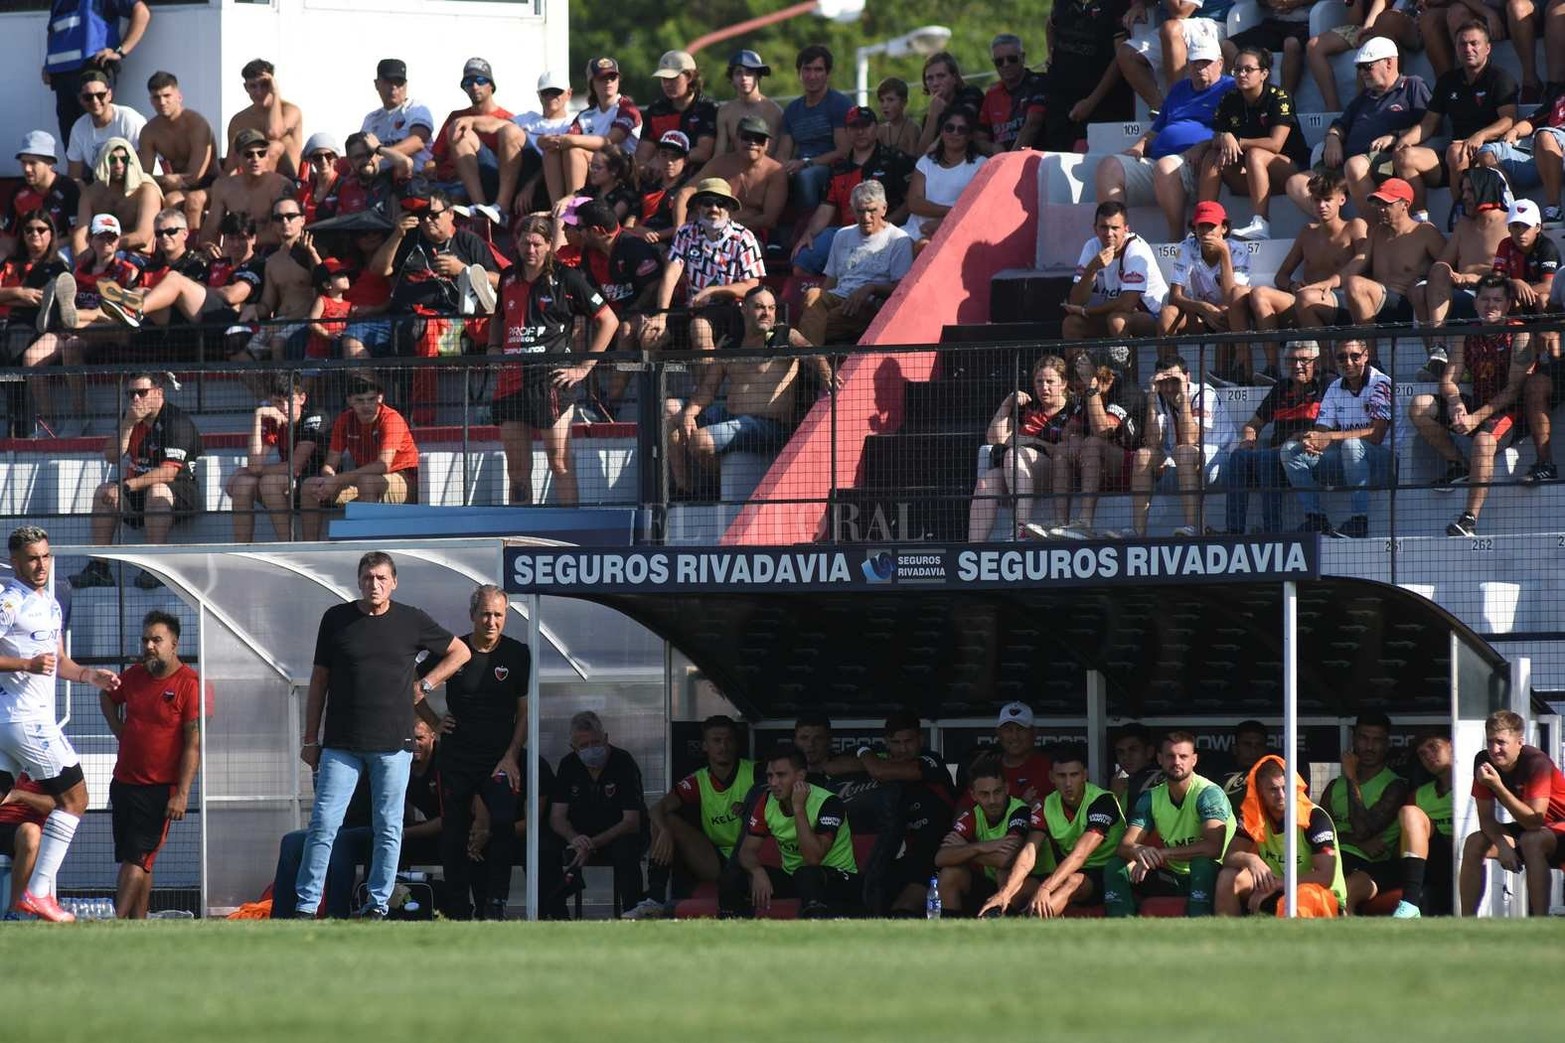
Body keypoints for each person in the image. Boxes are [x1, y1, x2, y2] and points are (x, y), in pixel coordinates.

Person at [295, 551, 469, 920]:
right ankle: (306, 906)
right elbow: (319, 681)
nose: (374, 584)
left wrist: (427, 683)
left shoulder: (412, 619)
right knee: (324, 823)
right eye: (368, 578)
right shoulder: (336, 619)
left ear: (394, 582)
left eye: (381, 578)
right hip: (341, 745)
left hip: (393, 745)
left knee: (389, 827)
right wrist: (311, 739)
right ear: (358, 581)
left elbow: (460, 652)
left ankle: (377, 906)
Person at [0, 527, 121, 922]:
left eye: (46, 556)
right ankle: (38, 892)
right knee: (76, 799)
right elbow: (35, 663)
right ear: (15, 561)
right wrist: (25, 665)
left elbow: (59, 661)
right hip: (25, 721)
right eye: (33, 558)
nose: (41, 565)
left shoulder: (51, 603)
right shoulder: (8, 602)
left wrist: (90, 676)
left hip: (13, 724)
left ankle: (35, 895)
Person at [488, 214, 616, 506]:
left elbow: (609, 320)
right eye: (524, 243)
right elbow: (498, 317)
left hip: (551, 381)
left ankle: (569, 530)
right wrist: (494, 346)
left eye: (536, 244)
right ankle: (519, 531)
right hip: (510, 380)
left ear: (549, 245)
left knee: (559, 462)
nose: (529, 250)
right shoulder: (508, 277)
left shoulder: (567, 277)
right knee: (517, 471)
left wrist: (584, 367)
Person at [664, 285, 828, 496]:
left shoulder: (783, 336)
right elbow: (707, 389)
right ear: (744, 309)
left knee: (700, 440)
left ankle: (714, 487)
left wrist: (826, 373)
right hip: (732, 417)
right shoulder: (732, 343)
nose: (767, 313)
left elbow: (814, 354)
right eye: (760, 307)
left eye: (771, 308)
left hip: (769, 426)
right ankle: (684, 487)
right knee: (670, 409)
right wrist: (688, 414)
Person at [430, 585, 530, 921]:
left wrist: (512, 754)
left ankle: (496, 903)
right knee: (454, 834)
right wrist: (432, 723)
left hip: (498, 760)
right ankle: (459, 909)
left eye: (498, 615)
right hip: (456, 761)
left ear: (506, 617)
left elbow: (524, 711)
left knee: (503, 825)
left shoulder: (518, 654)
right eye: (485, 613)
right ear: (472, 615)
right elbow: (413, 686)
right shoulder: (454, 650)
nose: (491, 621)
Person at [1411, 275, 1533, 538]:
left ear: (1508, 304)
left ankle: (1469, 519)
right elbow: (1449, 380)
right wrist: (1455, 402)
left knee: (1483, 442)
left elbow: (1513, 391)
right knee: (1419, 405)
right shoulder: (1467, 332)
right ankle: (1458, 465)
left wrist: (1475, 418)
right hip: (1477, 404)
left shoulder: (1519, 332)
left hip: (1511, 413)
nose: (1491, 305)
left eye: (1497, 300)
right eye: (1485, 299)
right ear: (1475, 302)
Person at [99, 610, 201, 919]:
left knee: (136, 857)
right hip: (124, 783)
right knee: (141, 860)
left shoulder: (188, 683)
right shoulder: (133, 676)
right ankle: (138, 926)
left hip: (159, 789)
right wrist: (120, 730)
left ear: (174, 644)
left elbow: (192, 744)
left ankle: (115, 923)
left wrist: (181, 794)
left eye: (157, 640)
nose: (149, 646)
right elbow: (108, 697)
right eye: (145, 640)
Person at [1094, 39, 1235, 241]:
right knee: (1108, 166)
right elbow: (1157, 129)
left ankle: (1176, 239)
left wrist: (1203, 145)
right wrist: (1139, 146)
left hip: (1194, 164)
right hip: (1160, 160)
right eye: (1195, 62)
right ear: (1188, 64)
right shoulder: (1179, 89)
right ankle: (1116, 240)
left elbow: (1232, 132)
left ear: (1220, 63)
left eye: (1206, 62)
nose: (1200, 67)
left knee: (1165, 165)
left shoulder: (1231, 89)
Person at [73, 373, 203, 587]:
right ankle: (99, 569)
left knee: (157, 490)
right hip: (139, 491)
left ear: (159, 392)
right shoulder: (131, 418)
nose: (135, 399)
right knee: (103, 492)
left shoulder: (176, 421)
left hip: (180, 491)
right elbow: (112, 456)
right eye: (131, 394)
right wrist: (127, 425)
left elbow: (168, 472)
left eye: (141, 393)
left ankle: (156, 568)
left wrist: (126, 486)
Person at [1233, 173, 1366, 381]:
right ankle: (1272, 369)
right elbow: (1281, 277)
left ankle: (1326, 368)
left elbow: (1363, 266)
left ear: (1342, 199)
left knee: (1307, 298)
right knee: (1259, 293)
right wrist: (1293, 285)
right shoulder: (1308, 232)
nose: (1322, 205)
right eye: (1316, 200)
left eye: (1327, 199)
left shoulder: (1355, 226)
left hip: (1339, 302)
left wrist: (1328, 284)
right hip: (1304, 300)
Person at [821, 710, 954, 915]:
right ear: (887, 743)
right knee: (867, 897)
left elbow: (879, 772)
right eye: (895, 743)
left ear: (920, 739)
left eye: (908, 741)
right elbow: (830, 767)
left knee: (903, 910)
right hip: (905, 858)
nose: (903, 749)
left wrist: (864, 751)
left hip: (938, 857)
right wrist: (873, 759)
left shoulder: (931, 761)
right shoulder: (883, 760)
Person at [979, 744, 1127, 917]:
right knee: (1019, 889)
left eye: (1074, 775)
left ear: (1085, 775)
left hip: (1107, 873)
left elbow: (1080, 854)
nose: (1068, 783)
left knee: (1072, 881)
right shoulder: (1045, 805)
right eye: (1061, 776)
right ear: (1051, 777)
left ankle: (1031, 926)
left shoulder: (1102, 801)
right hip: (1066, 870)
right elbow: (1029, 852)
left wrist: (1046, 888)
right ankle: (996, 923)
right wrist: (1006, 892)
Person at [1389, 20, 1517, 218]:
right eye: (1462, 44)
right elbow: (1429, 123)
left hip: (1486, 154)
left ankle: (1463, 215)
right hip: (1454, 156)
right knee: (1403, 157)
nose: (1468, 49)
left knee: (1456, 152)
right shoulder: (1448, 81)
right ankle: (1421, 220)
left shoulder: (1500, 78)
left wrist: (1480, 136)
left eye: (1474, 43)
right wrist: (1405, 140)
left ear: (1488, 48)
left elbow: (1509, 120)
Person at [719, 743, 859, 918]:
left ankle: (817, 928)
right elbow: (746, 851)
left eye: (781, 775)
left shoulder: (828, 802)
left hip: (836, 879)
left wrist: (799, 808)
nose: (773, 783)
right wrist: (757, 871)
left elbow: (813, 858)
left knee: (807, 874)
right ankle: (729, 931)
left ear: (800, 776)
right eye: (770, 776)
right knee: (733, 875)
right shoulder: (766, 800)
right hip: (794, 877)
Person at [1298, 179, 1445, 343]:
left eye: (1387, 204)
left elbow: (1447, 268)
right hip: (1372, 305)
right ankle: (1325, 367)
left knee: (1355, 283)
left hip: (1406, 307)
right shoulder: (1377, 233)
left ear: (1405, 204)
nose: (1381, 209)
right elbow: (1356, 263)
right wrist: (1329, 283)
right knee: (1307, 298)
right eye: (1378, 204)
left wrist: (1424, 281)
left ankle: (1371, 360)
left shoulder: (1425, 231)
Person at [1106, 731, 1236, 917]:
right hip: (1175, 877)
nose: (1176, 762)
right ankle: (1120, 930)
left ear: (1194, 760)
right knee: (1116, 866)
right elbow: (1124, 846)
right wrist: (1139, 851)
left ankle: (1201, 926)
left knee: (1202, 863)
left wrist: (1161, 853)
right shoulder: (1151, 797)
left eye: (1183, 756)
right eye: (1170, 756)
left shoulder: (1208, 794)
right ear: (1159, 759)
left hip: (1213, 875)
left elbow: (1212, 847)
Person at [1296, 38, 1429, 217]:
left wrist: (1395, 136)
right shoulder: (1365, 96)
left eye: (1367, 67)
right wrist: (1333, 138)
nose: (1362, 73)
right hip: (1346, 164)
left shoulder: (1412, 86)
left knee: (1354, 165)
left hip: (1385, 162)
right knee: (1296, 182)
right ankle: (1338, 227)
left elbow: (1427, 126)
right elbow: (1340, 124)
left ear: (1389, 63)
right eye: (1359, 68)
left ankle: (1376, 232)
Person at [640, 714, 756, 919]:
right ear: (704, 746)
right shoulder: (699, 780)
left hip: (754, 855)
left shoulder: (756, 772)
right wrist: (665, 830)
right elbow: (656, 808)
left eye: (728, 740)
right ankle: (655, 899)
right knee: (665, 820)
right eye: (716, 741)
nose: (723, 746)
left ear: (736, 743)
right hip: (718, 860)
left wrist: (751, 804)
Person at [1280, 338, 1394, 538]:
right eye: (1342, 357)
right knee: (1290, 451)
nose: (1348, 362)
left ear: (1366, 356)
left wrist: (1329, 436)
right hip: (1347, 461)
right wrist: (1313, 439)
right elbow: (1322, 429)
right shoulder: (1334, 387)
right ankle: (1317, 519)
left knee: (1351, 446)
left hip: (1384, 464)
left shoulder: (1380, 383)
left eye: (1354, 356)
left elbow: (1377, 435)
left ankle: (1359, 521)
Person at [1198, 45, 1310, 242]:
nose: (1241, 74)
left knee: (1255, 153)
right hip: (1250, 178)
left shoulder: (1279, 97)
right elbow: (1217, 134)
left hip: (1290, 171)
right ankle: (1204, 222)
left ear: (1264, 73)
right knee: (1212, 156)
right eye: (1237, 69)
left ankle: (1261, 224)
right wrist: (1223, 137)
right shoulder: (1229, 98)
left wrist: (1238, 141)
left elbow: (1275, 144)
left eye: (1248, 69)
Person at [1459, 710, 1565, 916]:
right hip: (1536, 830)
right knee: (1474, 842)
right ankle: (1467, 922)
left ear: (1519, 742)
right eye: (1489, 742)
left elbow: (1535, 821)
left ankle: (1539, 921)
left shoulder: (1536, 762)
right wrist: (1502, 845)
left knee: (1531, 839)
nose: (1494, 749)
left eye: (1501, 742)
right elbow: (1486, 819)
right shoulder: (1483, 762)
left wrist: (1497, 786)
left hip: (1557, 826)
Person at [642, 177, 765, 353]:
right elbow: (671, 275)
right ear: (699, 207)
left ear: (729, 208)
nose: (714, 209)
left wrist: (712, 291)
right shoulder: (686, 233)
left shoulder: (744, 238)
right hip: (693, 309)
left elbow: (751, 287)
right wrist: (662, 314)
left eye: (720, 203)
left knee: (699, 327)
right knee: (650, 335)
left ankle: (705, 381)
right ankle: (658, 381)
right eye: (708, 203)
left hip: (733, 312)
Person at [1216, 755, 1346, 917]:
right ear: (1260, 791)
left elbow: (1325, 876)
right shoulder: (1253, 816)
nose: (1281, 795)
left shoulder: (1315, 817)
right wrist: (1251, 860)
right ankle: (1228, 937)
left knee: (1302, 897)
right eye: (1273, 789)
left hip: (1320, 895)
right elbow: (1229, 856)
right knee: (1228, 877)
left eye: (1286, 788)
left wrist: (1277, 884)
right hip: (1276, 888)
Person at [550, 710, 650, 917]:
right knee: (545, 850)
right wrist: (576, 839)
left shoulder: (623, 762)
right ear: (573, 748)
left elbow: (631, 821)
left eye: (595, 743)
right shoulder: (568, 765)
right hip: (581, 838)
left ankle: (633, 913)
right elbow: (557, 817)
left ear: (606, 738)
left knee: (626, 851)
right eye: (583, 746)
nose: (591, 750)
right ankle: (554, 915)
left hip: (618, 837)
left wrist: (593, 843)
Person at [791, 106, 913, 275]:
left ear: (876, 128)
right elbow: (827, 207)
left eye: (865, 125)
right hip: (845, 233)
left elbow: (910, 203)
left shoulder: (896, 160)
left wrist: (883, 225)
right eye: (854, 127)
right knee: (802, 263)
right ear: (847, 132)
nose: (860, 131)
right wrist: (808, 234)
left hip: (884, 231)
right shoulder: (838, 167)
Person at [1221, 341, 1325, 535]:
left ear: (1316, 363)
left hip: (1305, 454)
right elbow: (1253, 424)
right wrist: (1248, 441)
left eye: (1303, 360)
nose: (1297, 365)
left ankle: (1272, 531)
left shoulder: (1324, 386)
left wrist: (1292, 441)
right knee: (1238, 456)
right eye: (1292, 360)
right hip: (1274, 454)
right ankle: (1233, 531)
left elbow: (1323, 431)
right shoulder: (1282, 388)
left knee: (1267, 458)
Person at [299, 378, 421, 541]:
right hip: (366, 480)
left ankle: (368, 544)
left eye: (371, 399)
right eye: (359, 401)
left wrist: (337, 480)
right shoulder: (344, 420)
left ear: (380, 398)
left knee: (367, 482)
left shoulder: (391, 418)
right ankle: (310, 547)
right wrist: (328, 481)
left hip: (405, 480)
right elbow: (329, 464)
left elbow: (382, 466)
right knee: (310, 486)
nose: (366, 406)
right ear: (349, 401)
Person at [1129, 353, 1233, 538]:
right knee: (1143, 455)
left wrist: (1184, 396)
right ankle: (1137, 532)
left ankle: (1192, 527)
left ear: (1187, 377)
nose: (1169, 388)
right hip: (1181, 459)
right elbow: (1153, 442)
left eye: (1175, 381)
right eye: (1163, 382)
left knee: (1183, 451)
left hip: (1220, 460)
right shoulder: (1160, 396)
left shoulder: (1203, 393)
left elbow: (1190, 438)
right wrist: (1152, 396)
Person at [798, 180, 912, 346]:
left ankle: (803, 358)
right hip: (839, 297)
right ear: (852, 210)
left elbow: (901, 289)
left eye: (871, 210)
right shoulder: (842, 235)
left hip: (869, 305)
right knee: (813, 295)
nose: (866, 217)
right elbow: (831, 280)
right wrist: (815, 308)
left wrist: (870, 288)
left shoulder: (898, 239)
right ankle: (814, 363)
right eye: (860, 211)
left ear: (884, 208)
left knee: (812, 324)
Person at [971, 356, 1073, 541]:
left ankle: (1021, 528)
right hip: (1017, 470)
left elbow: (1065, 450)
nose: (1044, 387)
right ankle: (974, 548)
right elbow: (995, 438)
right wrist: (1008, 403)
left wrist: (1025, 441)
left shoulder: (1072, 408)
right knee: (986, 482)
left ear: (1064, 383)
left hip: (1055, 472)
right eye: (1039, 381)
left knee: (1013, 455)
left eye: (1050, 382)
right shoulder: (1028, 408)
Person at [1047, 352, 1147, 538]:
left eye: (1081, 382)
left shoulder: (1126, 390)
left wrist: (1091, 389)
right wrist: (1075, 437)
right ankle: (1061, 522)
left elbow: (1103, 430)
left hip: (1130, 467)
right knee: (1062, 448)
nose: (1078, 389)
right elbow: (1068, 431)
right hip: (1096, 467)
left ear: (1101, 375)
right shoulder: (1086, 393)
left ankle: (1085, 523)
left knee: (1093, 443)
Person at [1318, 710, 1410, 912]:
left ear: (1387, 744)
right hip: (1334, 857)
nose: (1369, 746)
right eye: (1363, 738)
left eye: (1377, 740)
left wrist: (1352, 777)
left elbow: (1363, 829)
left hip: (1374, 865)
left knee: (1343, 893)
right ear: (1354, 739)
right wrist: (1356, 842)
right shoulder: (1334, 786)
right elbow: (1318, 835)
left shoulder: (1395, 786)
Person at [226, 373, 325, 543]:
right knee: (243, 484)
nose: (285, 408)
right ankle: (242, 547)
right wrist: (258, 418)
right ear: (271, 401)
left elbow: (295, 466)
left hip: (318, 482)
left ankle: (288, 543)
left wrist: (251, 471)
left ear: (302, 398)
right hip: (289, 482)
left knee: (268, 482)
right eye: (279, 402)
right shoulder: (273, 419)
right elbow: (255, 462)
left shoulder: (314, 416)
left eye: (290, 401)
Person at [1417, 166, 1511, 345]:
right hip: (1460, 288)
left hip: (1493, 289)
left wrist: (1476, 279)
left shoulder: (1510, 223)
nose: (1464, 196)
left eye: (1470, 190)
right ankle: (1438, 348)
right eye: (1463, 190)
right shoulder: (1463, 224)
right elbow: (1443, 263)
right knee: (1434, 274)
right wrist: (1452, 276)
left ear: (1484, 189)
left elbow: (1514, 272)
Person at [428, 57, 525, 218]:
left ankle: (495, 209)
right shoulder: (456, 116)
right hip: (452, 181)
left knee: (461, 131)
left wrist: (472, 121)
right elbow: (435, 158)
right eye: (468, 82)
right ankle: (479, 209)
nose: (474, 86)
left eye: (480, 80)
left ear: (491, 85)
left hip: (492, 180)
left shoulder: (508, 118)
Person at [42, 0, 150, 144]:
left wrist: (120, 51)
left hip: (93, 73)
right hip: (62, 78)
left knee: (100, 139)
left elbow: (142, 12)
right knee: (72, 141)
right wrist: (47, 64)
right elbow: (54, 32)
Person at [934, 755, 1031, 916]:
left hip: (1025, 883)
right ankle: (950, 933)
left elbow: (1005, 859)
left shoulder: (1020, 810)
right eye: (985, 794)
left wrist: (965, 851)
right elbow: (941, 857)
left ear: (1007, 788)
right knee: (950, 873)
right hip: (988, 883)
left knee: (1004, 872)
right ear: (973, 795)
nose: (992, 800)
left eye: (997, 792)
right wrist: (981, 846)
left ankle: (1006, 925)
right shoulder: (973, 814)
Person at [1062, 202, 1168, 343]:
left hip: (1151, 316)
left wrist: (1085, 312)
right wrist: (1092, 269)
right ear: (1095, 229)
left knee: (1117, 320)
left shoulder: (1136, 249)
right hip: (1112, 313)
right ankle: (1081, 365)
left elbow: (1127, 304)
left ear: (1125, 229)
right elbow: (1076, 300)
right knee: (1071, 324)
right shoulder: (1091, 246)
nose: (1109, 233)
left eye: (1115, 228)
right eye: (1104, 227)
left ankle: (1125, 365)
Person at [1044, 2, 1134, 152]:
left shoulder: (1118, 5)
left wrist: (1091, 102)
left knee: (1088, 160)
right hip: (1060, 96)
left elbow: (1119, 59)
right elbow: (1051, 24)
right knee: (1056, 155)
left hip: (1101, 101)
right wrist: (1051, 55)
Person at [679, 117, 786, 241]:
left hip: (751, 235)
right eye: (746, 137)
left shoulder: (776, 171)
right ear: (736, 139)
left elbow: (769, 219)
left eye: (759, 139)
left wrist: (725, 226)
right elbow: (684, 193)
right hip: (708, 230)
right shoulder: (718, 164)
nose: (752, 142)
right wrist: (680, 229)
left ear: (767, 144)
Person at [1156, 201, 1251, 341]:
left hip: (1230, 314)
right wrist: (1204, 308)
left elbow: (1231, 298)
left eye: (1211, 226)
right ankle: (1170, 363)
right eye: (1201, 226)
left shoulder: (1238, 250)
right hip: (1199, 312)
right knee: (1167, 314)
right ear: (1194, 228)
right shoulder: (1185, 247)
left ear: (1224, 228)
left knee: (1224, 313)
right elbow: (1174, 296)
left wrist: (1224, 253)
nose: (1206, 232)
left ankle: (1231, 363)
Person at [776, 46, 853, 214]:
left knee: (807, 176)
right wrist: (784, 167)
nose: (812, 76)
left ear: (828, 73)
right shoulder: (792, 110)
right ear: (799, 73)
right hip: (798, 166)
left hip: (831, 169)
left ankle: (808, 227)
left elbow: (843, 151)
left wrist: (806, 163)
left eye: (818, 70)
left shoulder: (839, 104)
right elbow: (782, 153)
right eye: (807, 70)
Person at [137, 71, 216, 233]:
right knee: (145, 197)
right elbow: (142, 176)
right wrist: (165, 179)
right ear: (151, 101)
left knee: (179, 200)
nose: (162, 102)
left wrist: (166, 181)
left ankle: (193, 251)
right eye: (156, 97)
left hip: (210, 183)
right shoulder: (149, 131)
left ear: (179, 96)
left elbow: (196, 177)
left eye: (167, 95)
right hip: (174, 184)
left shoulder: (196, 124)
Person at [903, 105, 986, 248]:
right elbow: (914, 203)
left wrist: (943, 222)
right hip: (912, 231)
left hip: (955, 232)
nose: (955, 133)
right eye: (949, 127)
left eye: (962, 129)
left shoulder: (982, 165)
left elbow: (978, 209)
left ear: (970, 135)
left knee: (923, 246)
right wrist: (952, 211)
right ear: (941, 131)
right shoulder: (925, 162)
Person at [1392, 731, 1454, 917]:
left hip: (1471, 853)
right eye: (1422, 753)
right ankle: (1410, 904)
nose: (1428, 755)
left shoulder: (1476, 782)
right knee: (1410, 813)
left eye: (1434, 747)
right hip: (1435, 859)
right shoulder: (1420, 794)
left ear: (1452, 746)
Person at [200, 128, 295, 251]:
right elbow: (209, 230)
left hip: (270, 252)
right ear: (237, 158)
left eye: (261, 154)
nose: (256, 159)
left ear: (267, 157)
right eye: (249, 154)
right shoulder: (223, 187)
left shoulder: (280, 185)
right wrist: (210, 246)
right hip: (235, 254)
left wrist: (243, 243)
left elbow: (284, 231)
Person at [72, 137, 161, 256]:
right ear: (104, 162)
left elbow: (142, 237)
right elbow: (80, 234)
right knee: (63, 257)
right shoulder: (90, 193)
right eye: (112, 159)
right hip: (98, 252)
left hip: (136, 255)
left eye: (124, 159)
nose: (119, 165)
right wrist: (81, 261)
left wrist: (103, 247)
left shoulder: (147, 190)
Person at [0, 132, 79, 264]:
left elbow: (75, 236)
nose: (27, 168)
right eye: (23, 162)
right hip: (26, 252)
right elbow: (9, 240)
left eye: (32, 163)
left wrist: (43, 249)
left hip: (60, 251)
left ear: (50, 162)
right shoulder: (18, 191)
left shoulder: (68, 188)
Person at [638, 50, 719, 174]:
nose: (667, 84)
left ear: (689, 77)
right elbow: (643, 156)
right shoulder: (655, 110)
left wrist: (665, 161)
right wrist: (645, 168)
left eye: (673, 78)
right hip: (661, 180)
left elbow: (703, 153)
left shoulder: (707, 108)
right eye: (664, 79)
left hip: (697, 178)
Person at [226, 59, 305, 178]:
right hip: (249, 186)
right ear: (246, 87)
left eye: (264, 85)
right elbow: (230, 165)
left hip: (287, 182)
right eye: (253, 86)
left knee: (273, 147)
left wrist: (276, 93)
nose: (259, 92)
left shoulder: (291, 111)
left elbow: (274, 132)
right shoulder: (239, 120)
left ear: (273, 84)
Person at [64, 70, 146, 181]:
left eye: (100, 95)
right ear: (80, 99)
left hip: (139, 182)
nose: (95, 101)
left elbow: (142, 168)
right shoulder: (79, 128)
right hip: (104, 189)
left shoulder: (129, 119)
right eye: (88, 97)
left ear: (109, 95)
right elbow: (74, 176)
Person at [361, 58, 434, 179]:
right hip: (379, 183)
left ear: (406, 84)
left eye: (399, 82)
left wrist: (380, 154)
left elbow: (418, 141)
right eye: (388, 81)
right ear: (376, 84)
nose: (393, 87)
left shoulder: (416, 109)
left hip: (415, 179)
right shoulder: (371, 119)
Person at [977, 33, 1047, 154]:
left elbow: (1033, 124)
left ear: (1023, 57)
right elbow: (979, 138)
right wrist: (992, 148)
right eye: (999, 61)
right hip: (1003, 163)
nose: (1006, 64)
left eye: (1012, 59)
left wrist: (1010, 159)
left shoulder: (1039, 83)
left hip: (1034, 160)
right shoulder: (992, 94)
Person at [915, 52, 988, 155]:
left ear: (954, 78)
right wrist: (932, 117)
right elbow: (921, 155)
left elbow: (963, 122)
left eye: (941, 76)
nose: (935, 83)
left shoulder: (971, 93)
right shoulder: (930, 115)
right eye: (930, 78)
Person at [714, 50, 783, 156]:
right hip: (734, 169)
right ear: (731, 79)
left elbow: (773, 156)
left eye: (749, 73)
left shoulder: (774, 112)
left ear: (758, 76)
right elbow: (719, 155)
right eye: (738, 73)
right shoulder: (725, 112)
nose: (744, 78)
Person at [0, 771, 50, 912]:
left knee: (31, 832)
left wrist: (20, 795)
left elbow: (54, 804)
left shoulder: (46, 769)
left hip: (20, 828)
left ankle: (14, 909)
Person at [1220, 720, 1272, 811]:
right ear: (1235, 748)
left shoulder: (1274, 776)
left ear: (1265, 749)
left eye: (1259, 745)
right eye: (1247, 745)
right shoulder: (1217, 775)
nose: (1253, 751)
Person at [1110, 722, 1163, 810]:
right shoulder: (1120, 783)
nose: (1126, 757)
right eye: (1120, 752)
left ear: (1150, 752)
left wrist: (1113, 796)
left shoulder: (1160, 780)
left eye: (1133, 750)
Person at [876, 77, 922, 156]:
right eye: (881, 100)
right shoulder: (881, 130)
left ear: (904, 102)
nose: (885, 105)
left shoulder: (912, 129)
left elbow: (914, 159)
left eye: (890, 100)